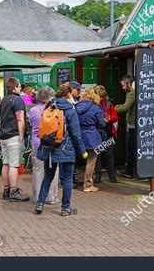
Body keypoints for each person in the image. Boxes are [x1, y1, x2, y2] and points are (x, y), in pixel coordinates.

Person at [35, 83, 87, 216]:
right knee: (68, 179)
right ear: (69, 94)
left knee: (48, 176)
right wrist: (82, 151)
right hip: (66, 147)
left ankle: (40, 203)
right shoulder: (70, 109)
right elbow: (75, 133)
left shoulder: (50, 105)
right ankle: (65, 208)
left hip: (50, 147)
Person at [0, 77, 29, 202]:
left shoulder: (3, 100)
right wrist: (21, 136)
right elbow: (20, 119)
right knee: (14, 165)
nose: (21, 88)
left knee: (5, 163)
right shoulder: (18, 100)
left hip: (2, 135)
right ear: (15, 87)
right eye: (19, 86)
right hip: (13, 135)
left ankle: (6, 190)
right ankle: (13, 191)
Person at [28, 86, 59, 204]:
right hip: (52, 144)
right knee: (53, 170)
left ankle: (37, 197)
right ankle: (51, 197)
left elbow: (31, 125)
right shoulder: (54, 110)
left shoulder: (33, 110)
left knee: (37, 170)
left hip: (37, 143)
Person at [75, 87, 106, 192]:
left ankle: (80, 181)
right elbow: (101, 123)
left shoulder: (77, 106)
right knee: (91, 160)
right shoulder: (95, 107)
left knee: (81, 160)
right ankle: (88, 185)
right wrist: (104, 121)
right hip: (92, 136)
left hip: (80, 135)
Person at [94, 85, 118, 184]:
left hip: (108, 133)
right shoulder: (92, 105)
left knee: (109, 155)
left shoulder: (108, 104)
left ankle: (112, 175)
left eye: (103, 97)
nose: (102, 99)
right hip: (97, 133)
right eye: (100, 96)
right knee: (97, 155)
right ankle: (98, 176)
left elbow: (115, 117)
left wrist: (110, 118)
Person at [115, 75, 136, 178]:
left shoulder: (131, 94)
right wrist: (121, 105)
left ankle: (129, 171)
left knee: (131, 149)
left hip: (133, 125)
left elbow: (126, 108)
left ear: (128, 84)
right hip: (137, 124)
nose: (123, 88)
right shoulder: (137, 92)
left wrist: (112, 111)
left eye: (123, 86)